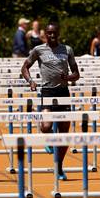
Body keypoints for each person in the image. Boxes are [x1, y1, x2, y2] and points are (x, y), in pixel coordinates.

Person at [21, 23, 80, 181]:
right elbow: (25, 67)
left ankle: (59, 166)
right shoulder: (38, 50)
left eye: (54, 33)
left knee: (64, 132)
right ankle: (50, 140)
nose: (52, 36)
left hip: (63, 93)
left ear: (58, 33)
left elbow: (76, 74)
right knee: (46, 126)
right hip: (47, 92)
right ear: (45, 35)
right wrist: (31, 81)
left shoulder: (67, 50)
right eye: (49, 33)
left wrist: (67, 77)